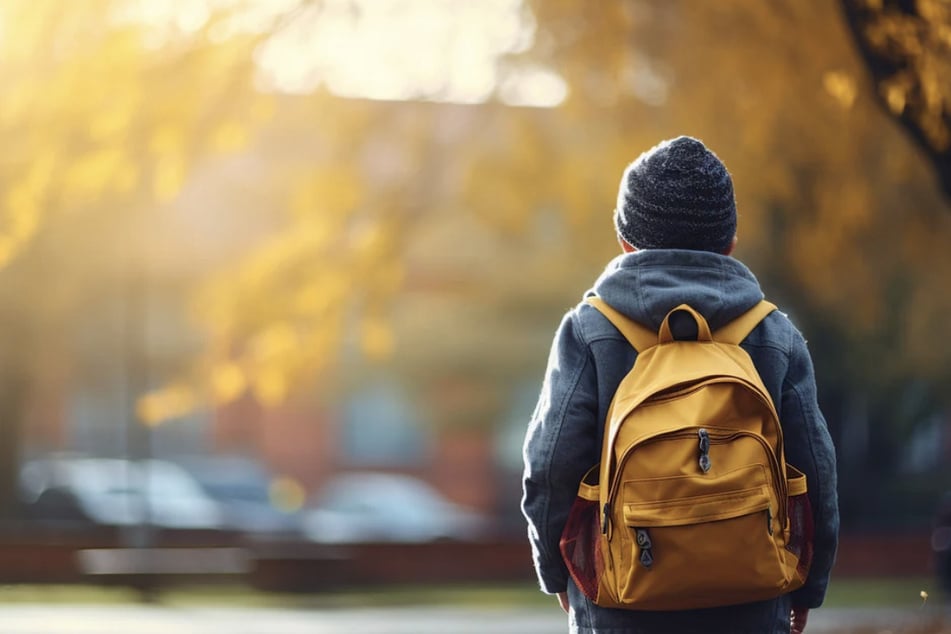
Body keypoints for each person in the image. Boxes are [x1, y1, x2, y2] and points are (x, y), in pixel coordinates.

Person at [521, 136, 839, 634]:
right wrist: (809, 583)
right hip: (753, 597)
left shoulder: (590, 330)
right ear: (730, 242)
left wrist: (558, 573)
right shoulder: (772, 332)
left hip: (622, 600)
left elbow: (550, 464)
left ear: (626, 242)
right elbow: (816, 470)